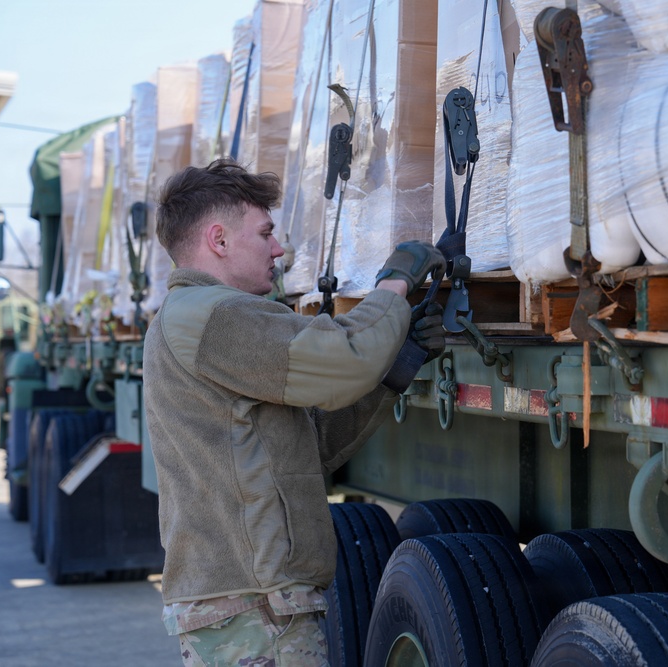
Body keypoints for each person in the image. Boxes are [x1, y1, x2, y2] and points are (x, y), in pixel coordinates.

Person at [142, 158, 446, 666]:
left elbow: (306, 450)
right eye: (265, 233)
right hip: (253, 608)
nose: (279, 249)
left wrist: (397, 364)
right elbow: (343, 363)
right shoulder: (215, 316)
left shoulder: (201, 319)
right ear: (218, 240)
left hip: (252, 605)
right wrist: (393, 285)